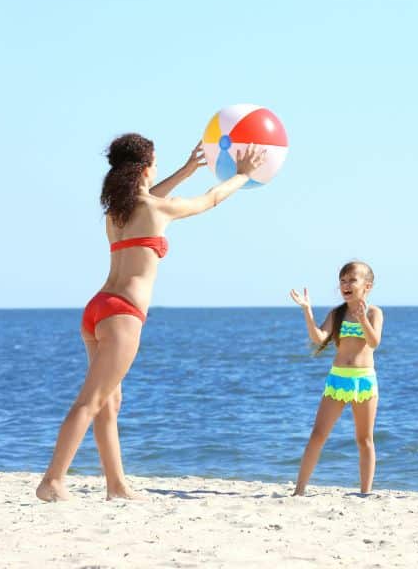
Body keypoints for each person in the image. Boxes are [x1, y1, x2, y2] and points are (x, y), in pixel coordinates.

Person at [36, 134, 265, 501]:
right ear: (145, 169)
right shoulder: (157, 210)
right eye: (155, 163)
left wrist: (188, 170)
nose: (157, 169)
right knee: (90, 401)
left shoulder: (118, 210)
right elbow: (210, 200)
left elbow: (149, 194)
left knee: (108, 403)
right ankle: (53, 480)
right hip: (122, 315)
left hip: (98, 308)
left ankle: (117, 485)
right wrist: (242, 175)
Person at [289, 261, 384, 495]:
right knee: (318, 435)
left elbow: (374, 342)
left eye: (352, 280)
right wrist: (307, 311)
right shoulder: (337, 313)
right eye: (342, 280)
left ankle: (365, 492)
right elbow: (319, 338)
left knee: (364, 440)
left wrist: (362, 319)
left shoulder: (374, 312)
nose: (346, 284)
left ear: (367, 286)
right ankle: (299, 490)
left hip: (363, 382)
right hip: (337, 381)